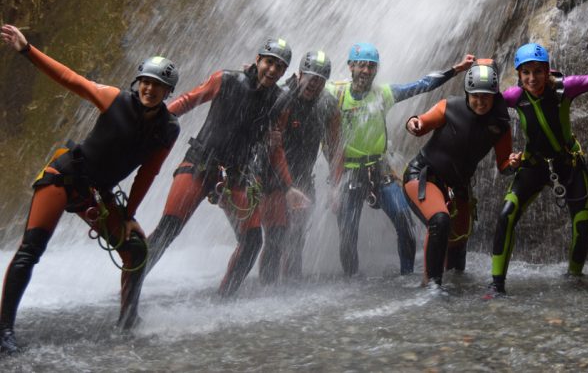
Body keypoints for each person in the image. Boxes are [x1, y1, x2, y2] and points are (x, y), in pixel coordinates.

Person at [0, 24, 180, 355]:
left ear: (168, 92)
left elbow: (148, 173)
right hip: (66, 176)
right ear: (137, 82)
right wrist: (27, 50)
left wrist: (128, 215)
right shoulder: (115, 99)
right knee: (31, 249)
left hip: (97, 193)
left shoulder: (168, 129)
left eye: (159, 85)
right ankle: (3, 330)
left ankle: (128, 321)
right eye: (146, 82)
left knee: (137, 250)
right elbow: (71, 80)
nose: (150, 89)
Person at [144, 38, 295, 297]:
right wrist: (153, 119)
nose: (272, 70)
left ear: (284, 72)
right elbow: (188, 101)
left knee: (252, 242)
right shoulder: (225, 79)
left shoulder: (279, 102)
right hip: (200, 165)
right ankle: (130, 289)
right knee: (168, 228)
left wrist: (289, 186)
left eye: (279, 67)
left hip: (235, 177)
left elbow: (276, 147)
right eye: (269, 62)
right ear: (258, 59)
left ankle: (224, 301)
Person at [327, 43, 474, 276]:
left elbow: (421, 85)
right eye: (361, 65)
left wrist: (456, 69)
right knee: (347, 233)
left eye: (371, 66)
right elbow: (308, 88)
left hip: (379, 170)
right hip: (349, 172)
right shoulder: (336, 93)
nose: (366, 71)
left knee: (404, 221)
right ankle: (351, 280)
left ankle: (406, 275)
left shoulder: (384, 94)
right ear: (350, 66)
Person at [486, 43, 588, 297]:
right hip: (534, 165)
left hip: (569, 165)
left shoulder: (566, 88)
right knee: (506, 214)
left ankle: (574, 279)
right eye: (526, 73)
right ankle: (496, 284)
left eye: (538, 71)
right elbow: (483, 101)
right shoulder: (513, 97)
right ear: (519, 75)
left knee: (582, 223)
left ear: (547, 71)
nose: (533, 78)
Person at [403, 60, 519, 290]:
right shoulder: (450, 107)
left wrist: (513, 163)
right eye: (475, 95)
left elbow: (504, 165)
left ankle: (455, 288)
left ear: (495, 95)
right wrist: (412, 123)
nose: (480, 101)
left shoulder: (500, 124)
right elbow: (421, 123)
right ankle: (431, 287)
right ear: (467, 93)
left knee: (459, 240)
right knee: (440, 220)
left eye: (486, 95)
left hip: (458, 187)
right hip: (424, 176)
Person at [258, 50, 343, 282]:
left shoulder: (327, 104)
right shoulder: (282, 96)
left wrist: (335, 186)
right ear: (299, 74)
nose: (313, 83)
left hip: (304, 177)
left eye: (320, 79)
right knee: (276, 237)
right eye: (310, 76)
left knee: (297, 239)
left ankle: (291, 291)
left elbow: (334, 148)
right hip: (272, 178)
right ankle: (266, 290)